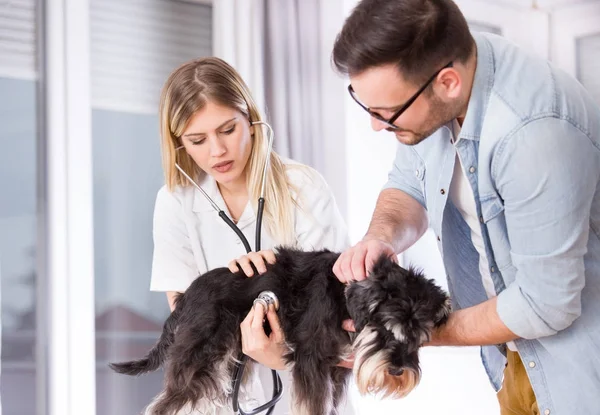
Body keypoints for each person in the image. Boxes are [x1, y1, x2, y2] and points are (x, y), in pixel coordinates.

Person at [330, 1, 600, 414]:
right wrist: (380, 236)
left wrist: (413, 330)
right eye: (367, 107)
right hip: (515, 356)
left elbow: (546, 304)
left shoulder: (533, 135)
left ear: (448, 82)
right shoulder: (446, 76)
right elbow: (408, 183)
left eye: (388, 113)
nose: (376, 125)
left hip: (579, 373)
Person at [149, 56, 351, 414]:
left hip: (303, 392)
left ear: (252, 122)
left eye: (228, 130)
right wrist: (233, 289)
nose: (216, 151)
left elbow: (334, 306)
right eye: (197, 140)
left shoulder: (302, 187)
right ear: (179, 143)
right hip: (215, 398)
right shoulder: (174, 201)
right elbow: (184, 309)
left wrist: (280, 351)